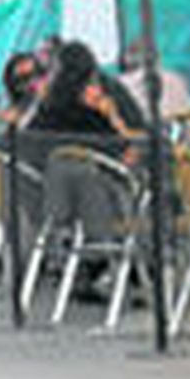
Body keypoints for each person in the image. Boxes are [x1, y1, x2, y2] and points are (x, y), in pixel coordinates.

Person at [23, 41, 142, 301]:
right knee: (137, 186)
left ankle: (90, 268)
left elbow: (26, 140)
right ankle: (129, 266)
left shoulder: (46, 110)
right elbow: (126, 149)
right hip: (96, 204)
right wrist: (111, 115)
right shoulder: (93, 112)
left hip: (51, 204)